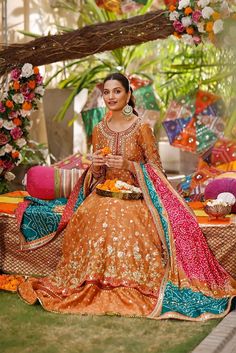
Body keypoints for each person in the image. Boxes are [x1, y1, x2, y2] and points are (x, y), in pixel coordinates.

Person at [18, 73, 236, 320]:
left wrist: (130, 165)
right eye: (107, 92)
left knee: (121, 217)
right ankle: (91, 281)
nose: (111, 96)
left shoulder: (142, 128)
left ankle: (132, 285)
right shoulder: (99, 129)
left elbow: (157, 170)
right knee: (90, 215)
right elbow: (97, 175)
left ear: (128, 95)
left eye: (117, 91)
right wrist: (97, 165)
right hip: (104, 192)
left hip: (136, 195)